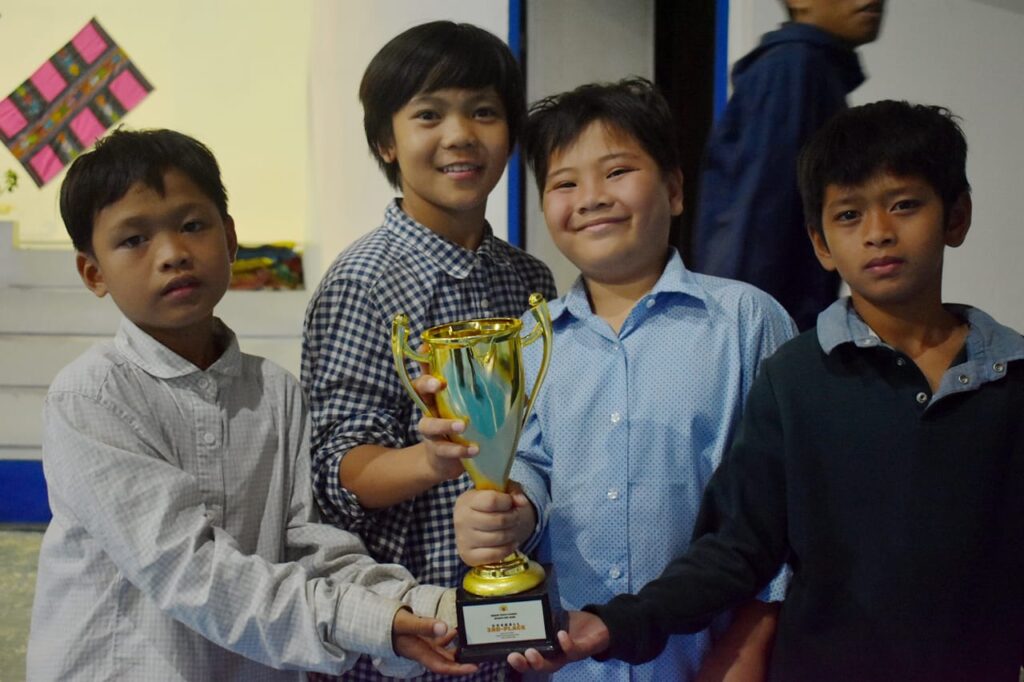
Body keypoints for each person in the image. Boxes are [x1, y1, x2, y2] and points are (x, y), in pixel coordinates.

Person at [529, 101, 1024, 682]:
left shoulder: (1010, 381)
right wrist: (619, 622)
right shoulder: (797, 379)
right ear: (820, 243)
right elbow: (740, 543)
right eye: (849, 215)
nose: (878, 233)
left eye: (904, 205)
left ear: (956, 217)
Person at [25, 129, 479, 681]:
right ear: (93, 273)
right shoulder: (91, 397)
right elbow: (187, 570)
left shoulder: (275, 391)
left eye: (193, 226)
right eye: (134, 239)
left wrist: (426, 608)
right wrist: (368, 621)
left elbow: (314, 549)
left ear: (230, 238)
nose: (172, 254)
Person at [443, 78, 796, 682]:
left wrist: (750, 643)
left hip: (706, 660)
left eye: (617, 172)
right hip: (568, 667)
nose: (591, 198)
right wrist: (510, 511)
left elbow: (783, 505)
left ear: (675, 190)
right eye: (564, 183)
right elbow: (528, 463)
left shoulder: (746, 320)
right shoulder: (525, 341)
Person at [301, 20, 556, 682]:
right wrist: (431, 460)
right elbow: (336, 470)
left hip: (511, 634)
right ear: (386, 142)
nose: (460, 134)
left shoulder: (530, 282)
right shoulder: (363, 282)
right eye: (429, 114)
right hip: (407, 636)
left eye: (484, 112)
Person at [691, 0, 885, 330]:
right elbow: (758, 214)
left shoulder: (810, 68)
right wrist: (747, 335)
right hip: (769, 333)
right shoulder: (793, 69)